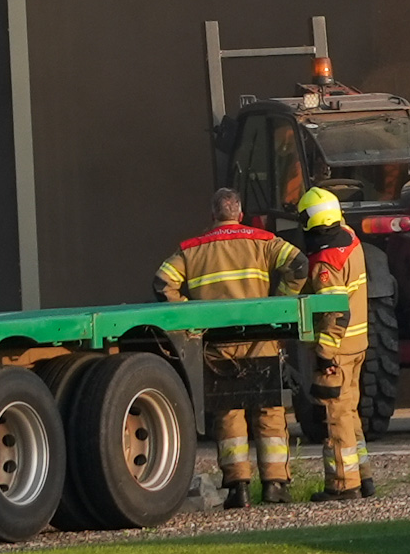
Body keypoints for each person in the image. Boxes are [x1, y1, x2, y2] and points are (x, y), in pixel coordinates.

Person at [154, 187, 307, 508]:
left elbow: (161, 283)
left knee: (229, 415)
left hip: (217, 349)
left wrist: (190, 319)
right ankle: (275, 486)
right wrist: (278, 304)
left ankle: (238, 489)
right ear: (240, 213)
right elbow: (299, 265)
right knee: (269, 412)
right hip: (261, 344)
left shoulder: (192, 250)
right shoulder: (264, 242)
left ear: (213, 215)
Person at [297, 186, 372, 502]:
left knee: (335, 418)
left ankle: (343, 484)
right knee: (350, 414)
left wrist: (324, 354)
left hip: (337, 352)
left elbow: (335, 312)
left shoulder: (325, 261)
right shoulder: (350, 240)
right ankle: (364, 477)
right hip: (357, 344)